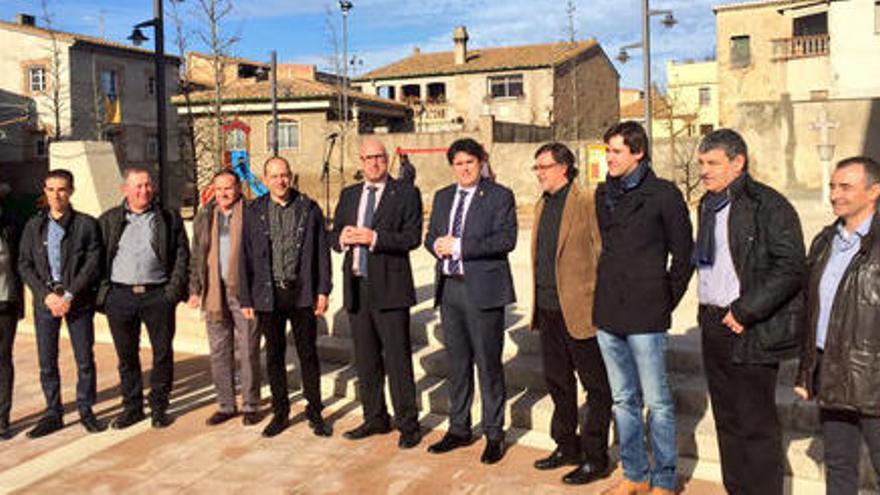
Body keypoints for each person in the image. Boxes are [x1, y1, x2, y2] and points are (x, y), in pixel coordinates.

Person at [694, 129, 804, 495]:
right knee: (726, 418)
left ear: (738, 163)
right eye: (701, 164)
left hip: (748, 326)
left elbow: (790, 266)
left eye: (713, 163)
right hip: (712, 322)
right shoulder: (707, 205)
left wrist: (745, 310)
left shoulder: (768, 205)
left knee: (754, 423)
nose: (704, 171)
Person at [594, 122, 694, 495]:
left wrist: (664, 299)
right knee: (623, 400)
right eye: (607, 151)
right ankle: (634, 473)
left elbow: (684, 256)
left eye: (616, 151)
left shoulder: (664, 194)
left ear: (638, 152)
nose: (609, 158)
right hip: (608, 313)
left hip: (646, 315)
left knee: (658, 402)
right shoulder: (603, 193)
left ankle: (664, 478)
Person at [424, 138, 516, 465]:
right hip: (450, 290)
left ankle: (494, 433)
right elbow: (430, 236)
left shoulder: (499, 195)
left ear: (481, 163)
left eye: (470, 163)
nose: (464, 168)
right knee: (457, 364)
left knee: (488, 364)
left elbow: (507, 239)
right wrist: (435, 244)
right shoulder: (443, 196)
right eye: (458, 163)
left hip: (483, 290)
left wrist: (461, 246)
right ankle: (459, 427)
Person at [529, 143, 613, 485]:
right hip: (548, 309)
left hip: (581, 310)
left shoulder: (586, 201)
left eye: (543, 167)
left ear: (563, 167)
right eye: (536, 168)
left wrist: (601, 302)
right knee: (558, 382)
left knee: (596, 387)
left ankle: (596, 456)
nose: (538, 173)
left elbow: (602, 253)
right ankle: (567, 446)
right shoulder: (541, 204)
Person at [795, 156, 880, 495]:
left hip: (873, 379)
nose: (834, 194)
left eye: (845, 187)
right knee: (839, 465)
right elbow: (810, 312)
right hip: (830, 373)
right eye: (832, 186)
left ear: (874, 191)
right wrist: (806, 371)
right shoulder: (825, 241)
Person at [330, 139, 423, 449]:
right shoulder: (349, 194)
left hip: (390, 289)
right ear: (361, 160)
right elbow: (334, 235)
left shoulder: (406, 193)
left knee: (397, 360)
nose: (374, 163)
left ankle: (408, 423)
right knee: (366, 360)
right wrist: (341, 238)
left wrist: (375, 238)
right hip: (357, 287)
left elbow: (412, 238)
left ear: (387, 159)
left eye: (379, 157)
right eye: (368, 158)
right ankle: (375, 418)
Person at [239, 156, 332, 438]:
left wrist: (323, 290)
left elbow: (321, 253)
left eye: (284, 175)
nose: (280, 181)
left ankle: (314, 411)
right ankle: (281, 413)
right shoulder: (254, 211)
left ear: (291, 177)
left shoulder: (308, 209)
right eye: (274, 176)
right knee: (275, 356)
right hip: (268, 295)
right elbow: (244, 258)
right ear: (265, 180)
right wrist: (246, 298)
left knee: (308, 354)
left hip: (301, 293)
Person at [97, 166, 190, 430]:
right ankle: (132, 407)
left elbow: (182, 256)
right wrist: (105, 296)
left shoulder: (169, 218)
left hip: (158, 296)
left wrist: (171, 293)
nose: (144, 190)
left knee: (162, 353)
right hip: (121, 297)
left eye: (147, 185)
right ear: (124, 190)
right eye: (138, 186)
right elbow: (97, 258)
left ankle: (159, 407)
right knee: (127, 357)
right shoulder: (109, 220)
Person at [18, 170, 104, 437]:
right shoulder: (34, 226)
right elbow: (24, 263)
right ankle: (53, 411)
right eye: (51, 189)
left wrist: (69, 295)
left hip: (77, 302)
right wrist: (46, 295)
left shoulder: (86, 225)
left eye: (62, 189)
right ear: (45, 191)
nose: (57, 195)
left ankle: (86, 410)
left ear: (71, 191)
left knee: (84, 359)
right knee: (47, 360)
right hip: (46, 302)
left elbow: (93, 263)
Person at [188, 170, 261, 427]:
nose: (223, 193)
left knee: (248, 349)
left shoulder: (253, 212)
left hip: (244, 293)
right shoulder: (206, 215)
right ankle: (226, 404)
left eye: (228, 188)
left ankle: (251, 404)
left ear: (239, 188)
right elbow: (197, 252)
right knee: (219, 351)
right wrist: (195, 289)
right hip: (214, 292)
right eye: (219, 189)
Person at [0, 198, 22, 440]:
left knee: (3, 359)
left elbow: (21, 263)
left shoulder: (11, 227)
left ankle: (2, 418)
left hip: (5, 304)